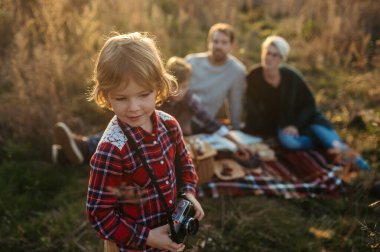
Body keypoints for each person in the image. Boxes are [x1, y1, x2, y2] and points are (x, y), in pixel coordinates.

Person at [85, 32, 204, 252]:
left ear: (159, 88)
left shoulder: (170, 125)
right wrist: (147, 237)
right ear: (105, 95)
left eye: (143, 94)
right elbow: (99, 214)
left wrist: (188, 194)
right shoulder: (111, 151)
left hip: (168, 238)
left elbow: (185, 164)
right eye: (121, 98)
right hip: (132, 246)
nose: (134, 107)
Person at [52, 56, 251, 165]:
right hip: (139, 132)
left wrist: (235, 141)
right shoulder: (154, 97)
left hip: (167, 141)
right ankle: (80, 147)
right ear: (166, 83)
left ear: (188, 85)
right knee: (116, 137)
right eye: (175, 86)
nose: (178, 92)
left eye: (183, 87)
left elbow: (210, 122)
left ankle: (72, 151)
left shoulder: (189, 100)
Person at [243, 35, 370, 171]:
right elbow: (252, 107)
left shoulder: (291, 77)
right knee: (289, 143)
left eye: (275, 55)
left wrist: (296, 126)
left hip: (309, 120)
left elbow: (310, 104)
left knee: (335, 145)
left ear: (281, 59)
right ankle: (320, 142)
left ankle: (366, 170)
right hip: (284, 124)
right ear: (262, 53)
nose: (270, 58)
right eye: (268, 53)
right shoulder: (254, 77)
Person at [185, 23, 246, 131]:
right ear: (209, 42)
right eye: (215, 41)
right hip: (179, 118)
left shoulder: (237, 71)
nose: (218, 46)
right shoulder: (191, 62)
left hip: (203, 123)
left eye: (224, 42)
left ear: (232, 45)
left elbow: (235, 104)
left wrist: (236, 130)